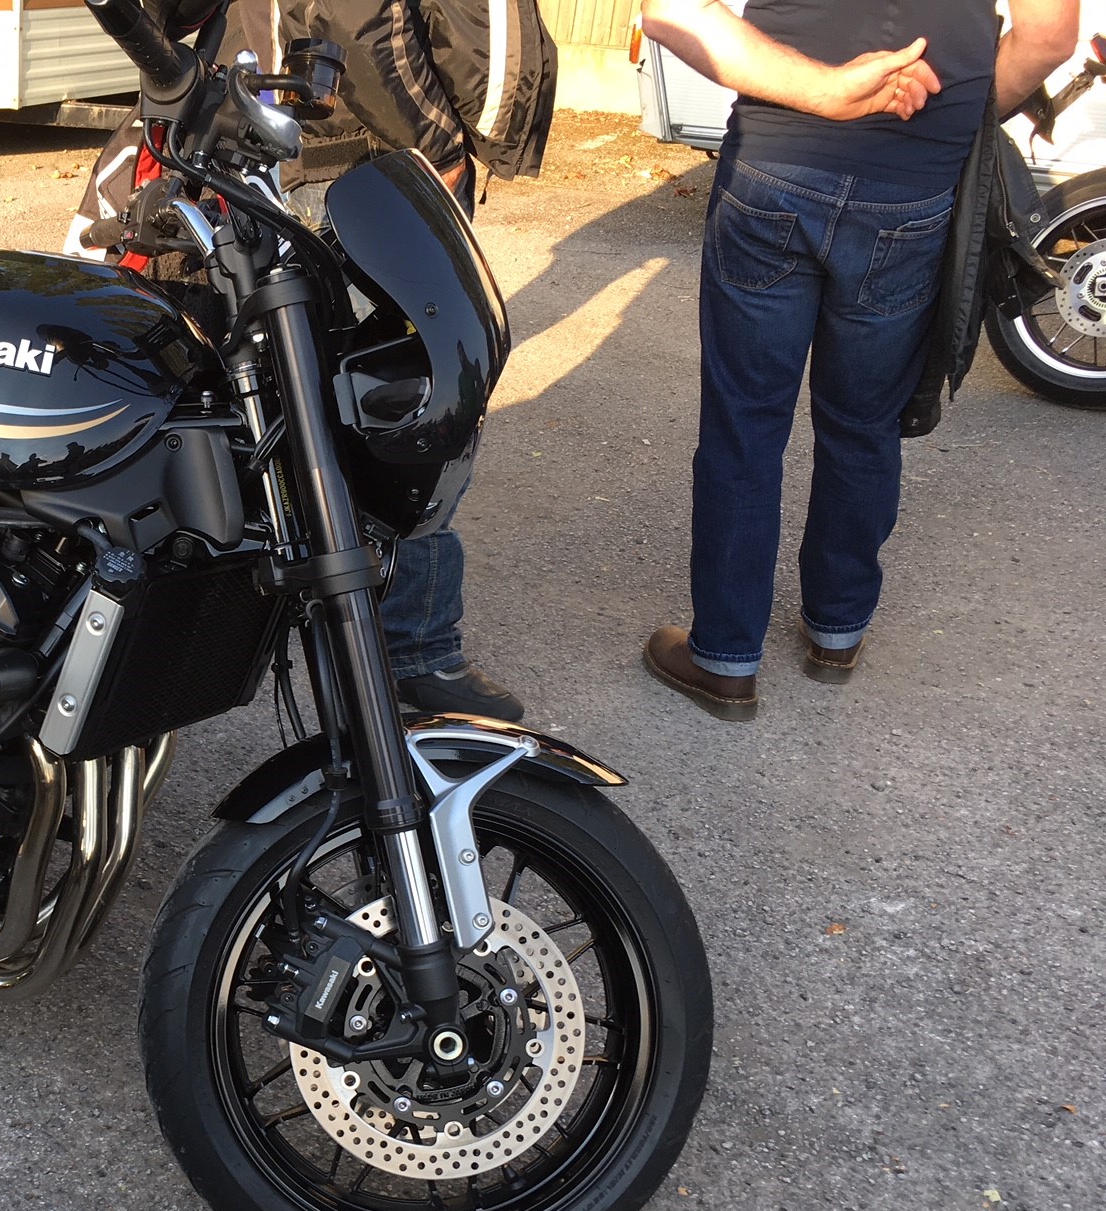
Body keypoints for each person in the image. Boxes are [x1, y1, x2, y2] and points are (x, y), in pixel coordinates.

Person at [65, 0, 555, 723]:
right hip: (350, 151)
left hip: (237, 125)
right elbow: (383, 23)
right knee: (411, 408)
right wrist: (446, 143)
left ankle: (161, 638)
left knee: (249, 396)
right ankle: (409, 649)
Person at [638, 0, 1080, 721]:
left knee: (744, 427)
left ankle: (724, 660)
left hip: (778, 165)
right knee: (863, 423)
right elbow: (1051, 35)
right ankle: (835, 632)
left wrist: (823, 90)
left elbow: (670, 11)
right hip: (912, 186)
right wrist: (947, 117)